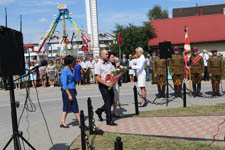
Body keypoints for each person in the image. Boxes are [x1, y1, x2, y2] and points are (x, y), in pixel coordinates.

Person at [95, 49, 117, 126]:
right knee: (107, 102)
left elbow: (113, 72)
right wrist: (106, 84)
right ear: (101, 55)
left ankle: (100, 111)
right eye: (106, 54)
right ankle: (109, 120)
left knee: (111, 101)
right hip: (103, 85)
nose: (108, 55)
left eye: (108, 54)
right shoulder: (98, 64)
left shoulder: (109, 63)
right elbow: (97, 78)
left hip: (110, 84)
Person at [60, 55, 80, 128]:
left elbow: (71, 81)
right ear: (69, 62)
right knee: (74, 106)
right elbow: (64, 85)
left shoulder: (70, 69)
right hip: (67, 91)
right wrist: (69, 95)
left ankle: (62, 121)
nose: (74, 62)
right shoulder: (65, 71)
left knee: (66, 106)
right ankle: (81, 122)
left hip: (71, 89)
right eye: (73, 61)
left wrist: (74, 90)